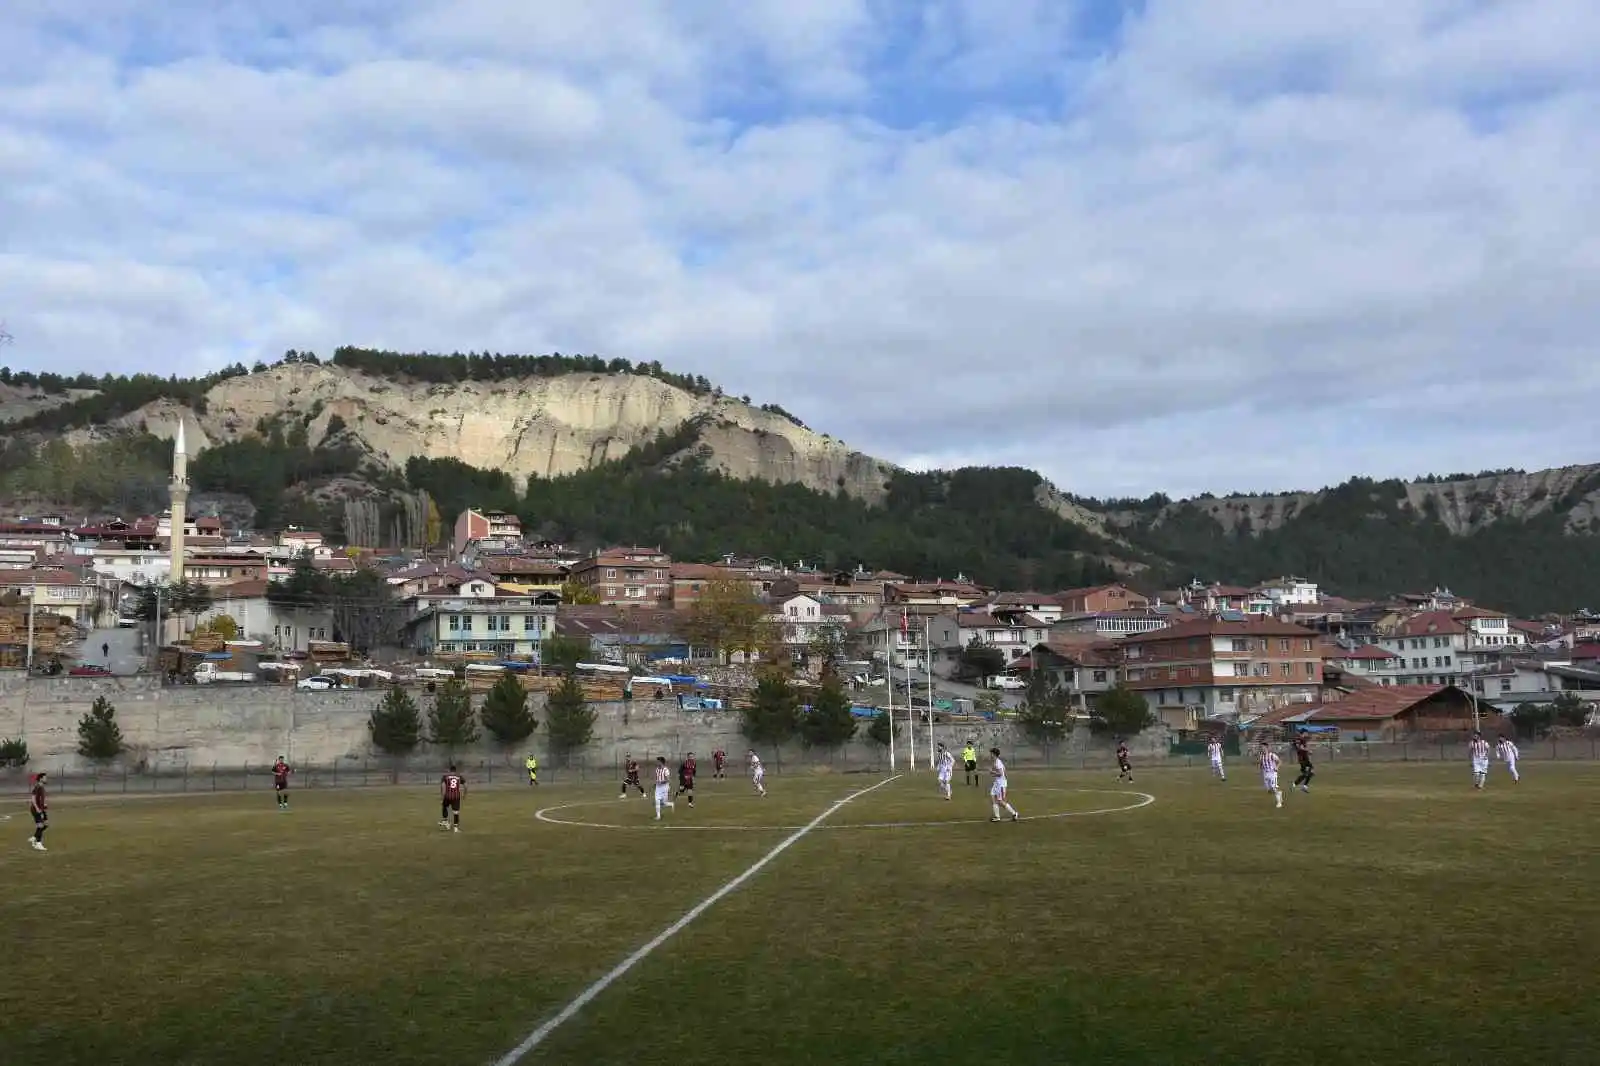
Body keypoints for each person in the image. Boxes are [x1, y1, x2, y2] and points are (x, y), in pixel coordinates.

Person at [988, 748, 1019, 822]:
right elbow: (1003, 772)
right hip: (997, 783)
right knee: (992, 796)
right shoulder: (996, 762)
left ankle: (1014, 813)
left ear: (994, 754)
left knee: (1000, 801)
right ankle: (997, 817)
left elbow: (1001, 774)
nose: (990, 755)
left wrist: (992, 772)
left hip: (1000, 785)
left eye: (991, 753)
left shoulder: (998, 762)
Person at [439, 764, 465, 832]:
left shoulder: (445, 777)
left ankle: (445, 821)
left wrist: (442, 797)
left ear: (449, 771)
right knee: (456, 812)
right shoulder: (459, 777)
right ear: (455, 771)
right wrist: (464, 794)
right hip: (456, 797)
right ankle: (456, 829)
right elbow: (466, 785)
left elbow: (443, 787)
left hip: (447, 796)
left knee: (444, 806)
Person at [1259, 740, 1283, 809]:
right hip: (1265, 774)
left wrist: (1277, 768)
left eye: (1263, 747)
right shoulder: (1261, 756)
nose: (1262, 748)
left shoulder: (1272, 755)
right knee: (1269, 790)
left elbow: (1279, 761)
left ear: (1266, 747)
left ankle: (1279, 802)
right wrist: (1261, 770)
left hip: (1273, 773)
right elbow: (1261, 764)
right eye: (1261, 747)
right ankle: (1279, 794)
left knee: (1274, 787)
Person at [28, 771, 49, 851]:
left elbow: (40, 799)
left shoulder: (42, 787)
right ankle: (38, 843)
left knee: (46, 824)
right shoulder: (38, 787)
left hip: (41, 809)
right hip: (36, 809)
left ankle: (34, 837)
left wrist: (44, 805)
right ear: (41, 779)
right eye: (45, 778)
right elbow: (33, 798)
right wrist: (37, 808)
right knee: (40, 825)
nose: (46, 779)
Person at [653, 756, 676, 821]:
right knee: (657, 801)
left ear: (661, 762)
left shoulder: (666, 770)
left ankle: (671, 804)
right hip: (658, 787)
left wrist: (661, 782)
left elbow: (668, 780)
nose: (657, 763)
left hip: (665, 787)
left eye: (658, 761)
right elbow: (657, 778)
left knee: (663, 803)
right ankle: (658, 816)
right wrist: (656, 783)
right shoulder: (657, 769)